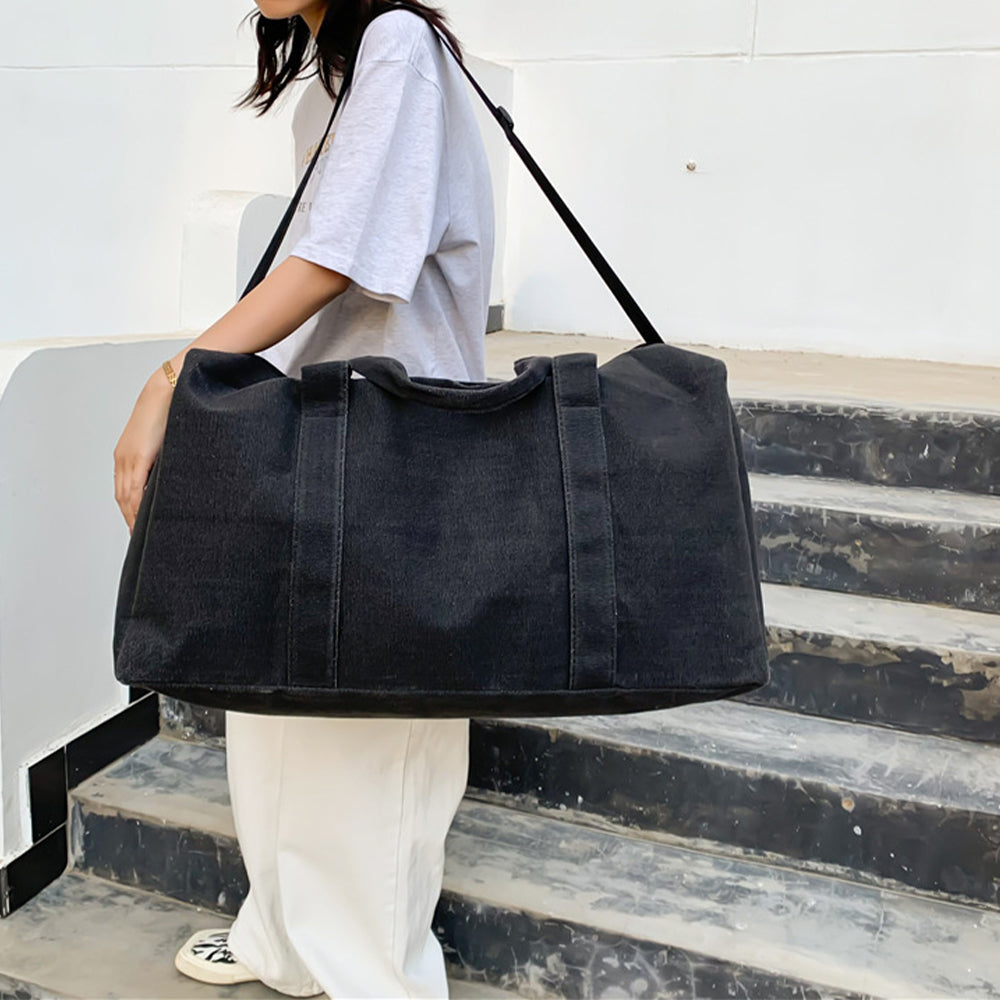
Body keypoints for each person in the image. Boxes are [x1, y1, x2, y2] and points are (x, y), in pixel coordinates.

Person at [111, 1, 494, 996]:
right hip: (319, 424)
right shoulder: (331, 80)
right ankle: (283, 939)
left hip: (397, 435)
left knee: (369, 736)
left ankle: (376, 978)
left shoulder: (399, 43)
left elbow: (336, 260)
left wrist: (172, 381)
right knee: (280, 707)